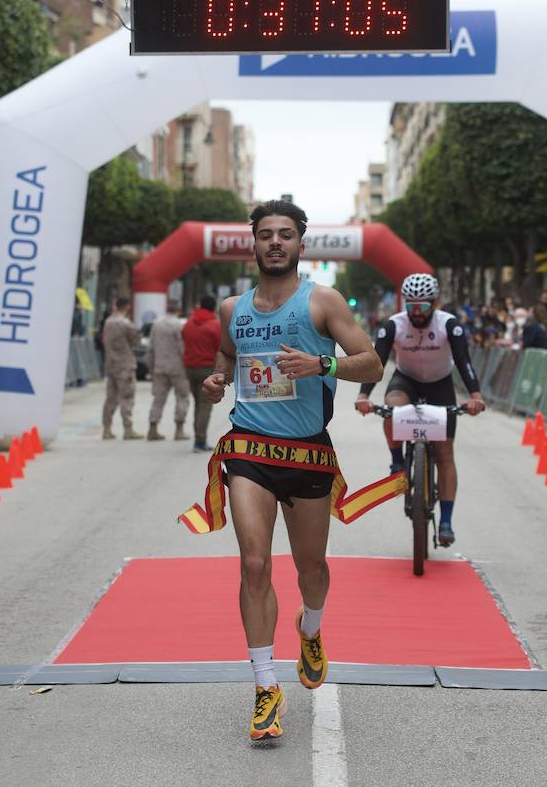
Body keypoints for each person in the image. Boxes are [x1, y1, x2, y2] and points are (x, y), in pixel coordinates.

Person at [200, 199, 382, 741]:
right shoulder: (234, 309)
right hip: (248, 450)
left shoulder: (321, 301)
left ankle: (312, 627)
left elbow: (371, 361)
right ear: (252, 244)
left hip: (306, 454)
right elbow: (225, 364)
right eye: (265, 235)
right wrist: (214, 383)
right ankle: (264, 687)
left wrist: (320, 363)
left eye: (284, 235)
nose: (274, 243)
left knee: (311, 568)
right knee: (254, 564)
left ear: (301, 244)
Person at [354, 272, 485, 546]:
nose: (415, 312)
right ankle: (397, 461)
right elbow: (376, 363)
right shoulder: (393, 325)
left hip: (440, 384)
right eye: (410, 305)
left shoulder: (449, 325)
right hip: (407, 380)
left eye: (422, 306)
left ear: (434, 304)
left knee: (445, 455)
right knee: (392, 408)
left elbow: (464, 362)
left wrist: (475, 396)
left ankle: (446, 521)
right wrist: (363, 396)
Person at [182, 295, 223, 453]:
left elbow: (183, 339)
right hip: (206, 368)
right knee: (205, 405)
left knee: (198, 404)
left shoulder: (189, 324)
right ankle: (200, 441)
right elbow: (221, 348)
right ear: (213, 308)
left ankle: (198, 437)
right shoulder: (215, 325)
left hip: (190, 368)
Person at [145, 300, 190, 442]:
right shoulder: (178, 325)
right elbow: (182, 348)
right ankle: (179, 429)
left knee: (158, 399)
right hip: (178, 368)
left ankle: (153, 428)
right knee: (182, 397)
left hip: (160, 367)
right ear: (179, 310)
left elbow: (151, 348)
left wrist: (151, 368)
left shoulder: (156, 324)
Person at [101, 297, 142, 440]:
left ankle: (107, 428)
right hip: (125, 364)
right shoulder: (126, 324)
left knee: (110, 398)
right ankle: (128, 429)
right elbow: (135, 341)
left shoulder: (108, 322)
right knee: (127, 397)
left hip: (111, 364)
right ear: (128, 307)